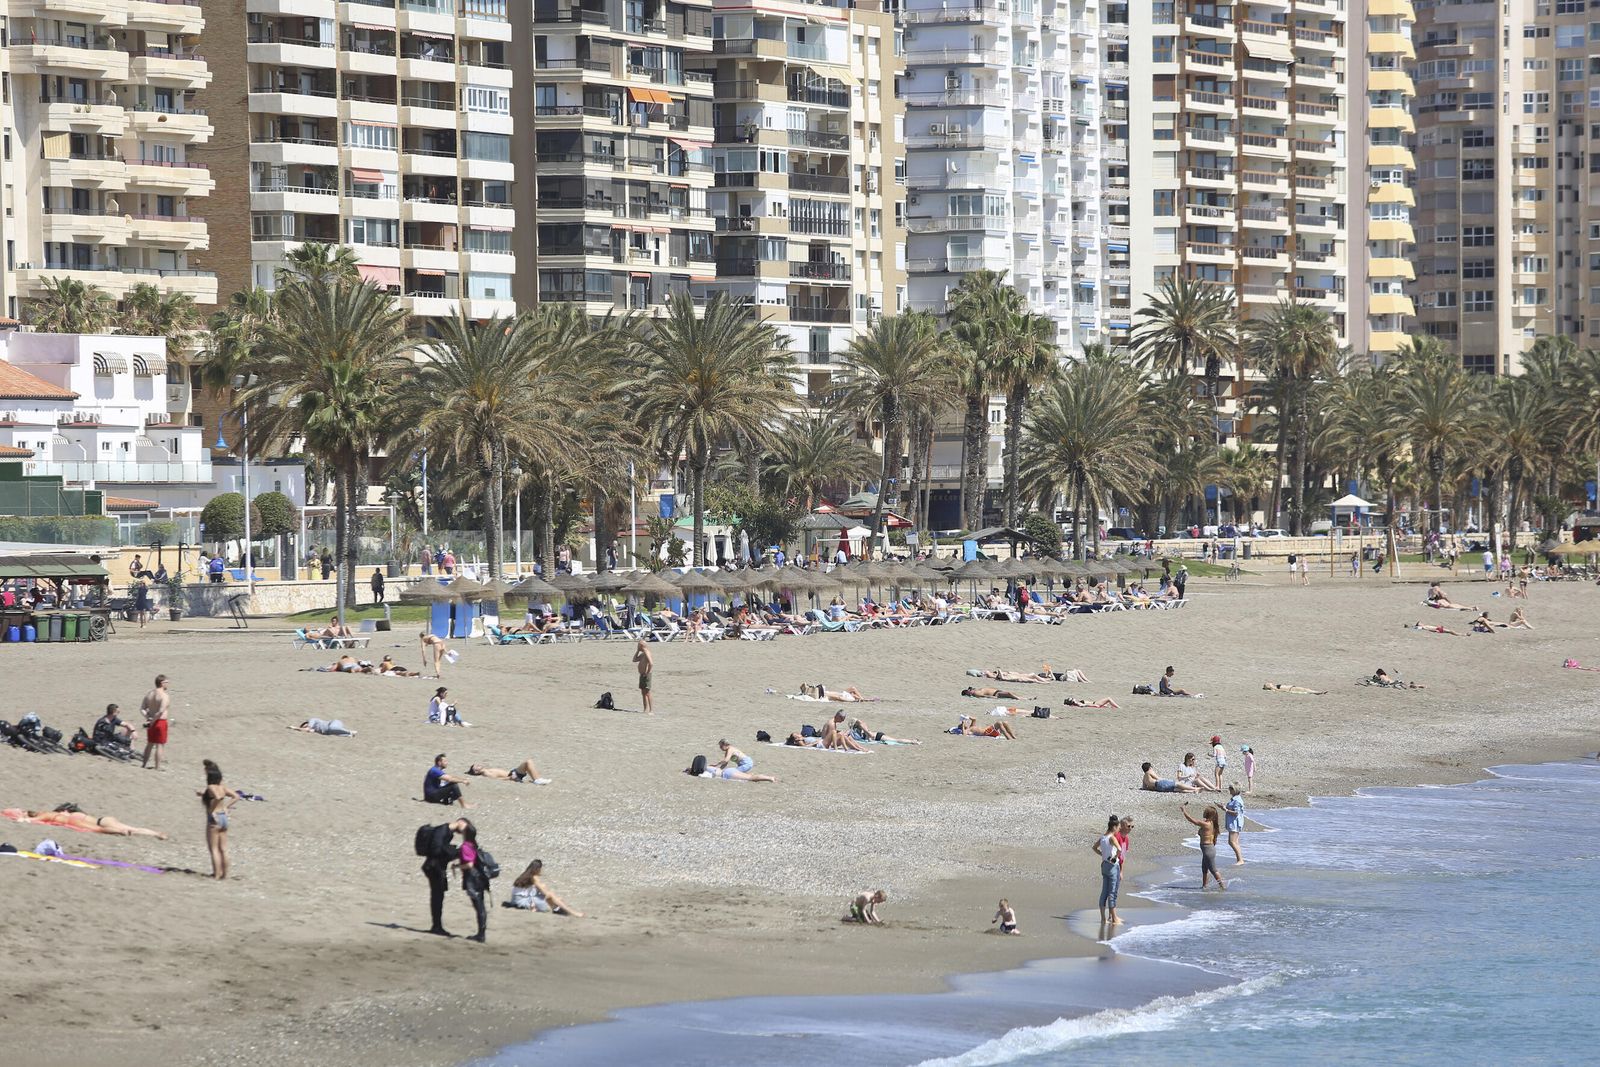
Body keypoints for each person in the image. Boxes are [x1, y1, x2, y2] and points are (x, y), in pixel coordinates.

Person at [418, 818, 470, 936]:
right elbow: (436, 850)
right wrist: (456, 852)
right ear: (461, 822)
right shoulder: (442, 830)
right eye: (465, 828)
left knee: (438, 895)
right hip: (434, 867)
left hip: (435, 866)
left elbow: (439, 849)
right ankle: (436, 926)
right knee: (437, 896)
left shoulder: (446, 832)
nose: (464, 832)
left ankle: (437, 925)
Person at [6, 806, 167, 839]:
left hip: (100, 824)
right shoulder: (70, 813)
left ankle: (121, 832)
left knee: (101, 830)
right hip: (103, 818)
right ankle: (156, 833)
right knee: (133, 828)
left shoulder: (48, 814)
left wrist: (23, 818)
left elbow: (34, 820)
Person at [198, 759, 239, 880]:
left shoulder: (210, 787)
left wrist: (212, 810)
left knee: (214, 849)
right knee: (224, 849)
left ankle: (216, 875)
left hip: (214, 818)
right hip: (223, 817)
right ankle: (225, 875)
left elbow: (217, 796)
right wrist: (226, 806)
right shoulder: (222, 787)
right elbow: (236, 796)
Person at [505, 859, 583, 916]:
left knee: (550, 896)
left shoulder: (525, 875)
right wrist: (556, 898)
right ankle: (572, 912)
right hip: (521, 902)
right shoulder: (533, 877)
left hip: (516, 900)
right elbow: (545, 893)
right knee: (551, 896)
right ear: (537, 869)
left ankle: (557, 909)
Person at [1180, 803, 1227, 890]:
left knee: (1213, 870)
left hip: (1208, 850)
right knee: (1204, 869)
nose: (1203, 812)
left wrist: (1184, 811)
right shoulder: (1210, 823)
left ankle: (1223, 887)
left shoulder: (1206, 824)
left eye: (1205, 812)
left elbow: (1192, 820)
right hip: (1208, 849)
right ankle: (1204, 886)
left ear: (1208, 814)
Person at [456, 823, 490, 942]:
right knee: (481, 906)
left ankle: (481, 934)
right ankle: (481, 933)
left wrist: (457, 866)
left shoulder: (466, 846)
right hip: (480, 878)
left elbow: (469, 864)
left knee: (478, 906)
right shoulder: (474, 845)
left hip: (473, 879)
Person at [1093, 814, 1123, 925]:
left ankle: (1103, 918)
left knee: (1104, 892)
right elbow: (1119, 850)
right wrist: (1114, 858)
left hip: (1104, 865)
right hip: (1112, 866)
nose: (1119, 829)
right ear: (1114, 827)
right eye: (1118, 827)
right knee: (1112, 892)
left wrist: (1102, 854)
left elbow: (1094, 848)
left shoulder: (1102, 838)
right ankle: (1114, 918)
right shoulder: (1111, 838)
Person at [139, 674, 171, 771]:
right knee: (160, 745)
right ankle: (157, 767)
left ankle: (144, 764)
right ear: (162, 683)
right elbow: (161, 711)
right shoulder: (164, 696)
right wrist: (153, 720)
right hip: (160, 721)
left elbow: (142, 709)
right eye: (167, 682)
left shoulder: (150, 694)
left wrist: (148, 718)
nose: (168, 684)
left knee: (150, 744)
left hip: (151, 722)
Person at [684, 754, 778, 782]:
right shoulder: (707, 768)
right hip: (728, 770)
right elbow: (691, 769)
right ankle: (767, 777)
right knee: (749, 776)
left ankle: (770, 778)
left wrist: (688, 771)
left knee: (751, 778)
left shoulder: (702, 773)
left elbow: (692, 770)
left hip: (727, 774)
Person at [467, 759, 549, 785]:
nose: (478, 765)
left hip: (513, 772)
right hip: (513, 774)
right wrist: (510, 778)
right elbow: (496, 780)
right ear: (476, 772)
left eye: (477, 765)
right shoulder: (486, 773)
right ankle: (537, 780)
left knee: (528, 763)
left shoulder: (486, 770)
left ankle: (538, 779)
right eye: (476, 767)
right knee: (528, 762)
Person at [848, 718, 921, 745]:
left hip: (877, 736)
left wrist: (868, 739)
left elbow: (869, 735)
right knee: (895, 740)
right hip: (876, 736)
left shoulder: (861, 728)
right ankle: (912, 741)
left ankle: (912, 741)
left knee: (896, 740)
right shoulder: (857, 730)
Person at [1224, 784, 1247, 865]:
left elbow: (1236, 813)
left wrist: (1226, 810)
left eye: (1230, 789)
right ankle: (1239, 860)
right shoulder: (1235, 799)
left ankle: (1240, 860)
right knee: (1235, 842)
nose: (1229, 790)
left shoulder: (1237, 800)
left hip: (1234, 823)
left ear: (1234, 790)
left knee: (1232, 842)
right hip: (1234, 822)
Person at [633, 639, 654, 714]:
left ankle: (651, 710)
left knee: (647, 692)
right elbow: (634, 659)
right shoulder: (643, 654)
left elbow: (651, 663)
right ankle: (645, 709)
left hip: (646, 675)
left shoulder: (647, 652)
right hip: (642, 675)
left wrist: (647, 672)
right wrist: (637, 651)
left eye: (638, 646)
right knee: (643, 692)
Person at [288, 718, 355, 736]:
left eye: (304, 726)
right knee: (334, 732)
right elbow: (307, 730)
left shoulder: (312, 720)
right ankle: (349, 734)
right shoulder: (314, 729)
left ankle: (350, 731)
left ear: (306, 723)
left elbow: (307, 729)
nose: (305, 727)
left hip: (333, 723)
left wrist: (294, 727)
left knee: (332, 728)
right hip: (329, 730)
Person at [1262, 682, 1327, 694]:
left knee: (1307, 690)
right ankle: (1319, 692)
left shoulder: (1275, 687)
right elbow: (1281, 691)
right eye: (1267, 684)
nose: (1269, 683)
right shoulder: (1274, 689)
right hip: (1291, 689)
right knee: (1307, 690)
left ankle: (1318, 692)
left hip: (1292, 688)